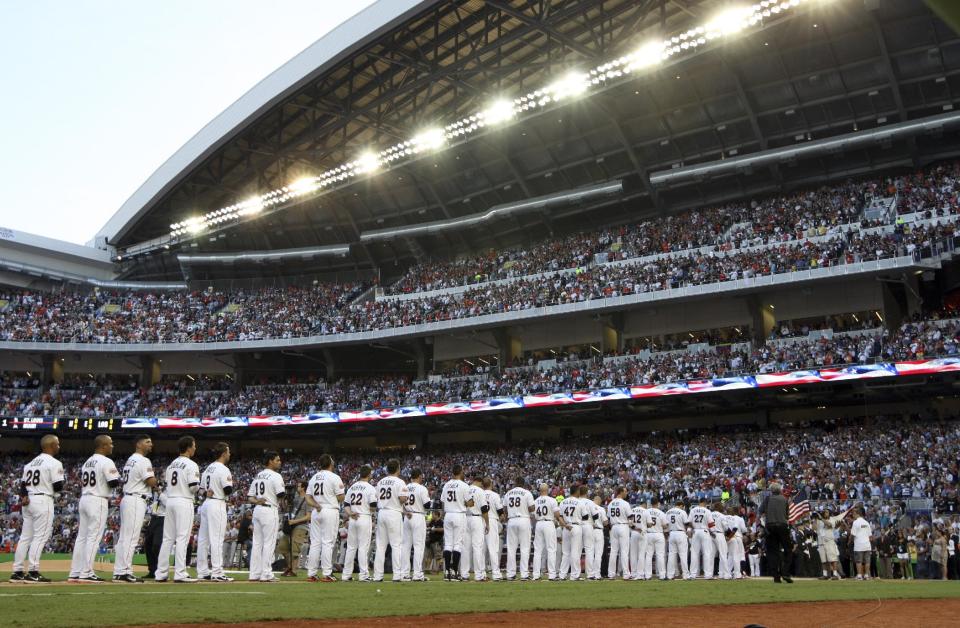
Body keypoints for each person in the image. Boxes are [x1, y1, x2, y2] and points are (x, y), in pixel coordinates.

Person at [10, 434, 64, 583]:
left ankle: (17, 572)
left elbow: (22, 486)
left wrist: (24, 496)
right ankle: (33, 571)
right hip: (43, 500)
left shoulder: (31, 464)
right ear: (51, 445)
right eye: (57, 444)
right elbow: (58, 487)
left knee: (25, 537)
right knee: (40, 537)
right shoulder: (54, 463)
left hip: (28, 501)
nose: (59, 446)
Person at [69, 434, 121, 583]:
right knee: (93, 537)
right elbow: (113, 483)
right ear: (103, 446)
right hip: (97, 499)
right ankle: (86, 572)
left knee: (82, 537)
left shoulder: (88, 462)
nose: (112, 446)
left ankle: (75, 572)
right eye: (110, 443)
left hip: (85, 498)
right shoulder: (106, 461)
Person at [155, 436, 200, 583]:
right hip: (184, 500)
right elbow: (193, 487)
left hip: (171, 500)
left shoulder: (171, 465)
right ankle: (180, 572)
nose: (195, 448)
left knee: (168, 538)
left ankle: (161, 573)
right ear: (188, 447)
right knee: (182, 538)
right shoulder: (191, 464)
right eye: (193, 446)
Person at [113, 434, 157, 583]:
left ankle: (119, 570)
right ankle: (124, 572)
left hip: (128, 497)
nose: (151, 444)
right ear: (138, 444)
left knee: (125, 538)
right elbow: (151, 481)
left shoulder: (130, 459)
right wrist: (158, 482)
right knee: (131, 537)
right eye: (147, 442)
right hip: (136, 499)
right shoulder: (143, 460)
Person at [197, 442, 234, 582]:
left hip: (206, 503)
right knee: (217, 539)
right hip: (217, 503)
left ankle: (202, 571)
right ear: (224, 453)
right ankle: (217, 572)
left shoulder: (208, 468)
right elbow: (228, 490)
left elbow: (200, 490)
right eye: (228, 452)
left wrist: (207, 492)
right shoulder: (223, 469)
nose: (229, 454)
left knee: (203, 539)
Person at [247, 450, 285, 582]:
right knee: (269, 543)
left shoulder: (258, 475)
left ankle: (254, 574)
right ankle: (266, 574)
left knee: (257, 543)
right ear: (270, 461)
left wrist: (258, 501)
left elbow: (250, 497)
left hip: (257, 510)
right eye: (277, 460)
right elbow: (281, 495)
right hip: (269, 510)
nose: (279, 462)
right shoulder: (276, 476)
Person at [305, 454, 345, 582]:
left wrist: (316, 504)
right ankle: (327, 573)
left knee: (315, 543)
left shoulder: (314, 477)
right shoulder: (334, 477)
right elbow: (341, 497)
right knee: (328, 542)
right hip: (329, 510)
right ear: (330, 463)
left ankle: (311, 573)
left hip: (316, 511)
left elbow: (307, 498)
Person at [372, 458, 409, 582]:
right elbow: (403, 499)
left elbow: (376, 497)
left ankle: (378, 575)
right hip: (394, 512)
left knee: (381, 546)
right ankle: (397, 574)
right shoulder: (400, 482)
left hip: (382, 512)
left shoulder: (381, 482)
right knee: (396, 545)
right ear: (398, 468)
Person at [341, 465, 376, 581]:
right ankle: (364, 575)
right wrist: (370, 511)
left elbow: (345, 504)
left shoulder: (352, 487)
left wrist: (350, 513)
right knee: (363, 548)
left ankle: (346, 575)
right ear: (369, 474)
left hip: (353, 518)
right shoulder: (370, 488)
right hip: (364, 517)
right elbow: (373, 506)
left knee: (351, 547)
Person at [441, 464, 472, 581]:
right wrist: (467, 503)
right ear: (461, 472)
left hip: (448, 514)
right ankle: (454, 572)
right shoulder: (464, 485)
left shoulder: (446, 485)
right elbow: (470, 503)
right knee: (458, 544)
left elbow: (443, 503)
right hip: (459, 514)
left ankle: (447, 571)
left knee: (448, 544)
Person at [400, 468, 431, 582]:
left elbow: (399, 502)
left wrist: (405, 512)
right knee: (418, 546)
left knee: (406, 546)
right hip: (418, 516)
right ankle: (417, 574)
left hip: (407, 517)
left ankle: (404, 573)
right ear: (419, 476)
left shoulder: (405, 487)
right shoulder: (422, 488)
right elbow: (427, 505)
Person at [760, 482, 793, 583]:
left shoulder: (768, 499)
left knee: (773, 552)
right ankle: (785, 572)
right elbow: (787, 515)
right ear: (780, 490)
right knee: (788, 550)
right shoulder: (784, 499)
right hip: (782, 526)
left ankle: (776, 576)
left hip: (770, 526)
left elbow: (760, 510)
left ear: (771, 490)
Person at [502, 478, 535, 581]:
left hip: (511, 520)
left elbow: (504, 509)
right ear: (523, 484)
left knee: (511, 548)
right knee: (524, 548)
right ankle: (524, 574)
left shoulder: (508, 493)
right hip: (523, 519)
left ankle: (510, 574)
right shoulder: (526, 493)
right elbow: (532, 508)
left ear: (515, 483)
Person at [277, 481, 310, 577]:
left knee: (294, 550)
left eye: (299, 486)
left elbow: (308, 517)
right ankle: (290, 567)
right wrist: (284, 499)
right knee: (282, 547)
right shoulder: (294, 498)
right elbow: (285, 509)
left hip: (301, 526)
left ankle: (293, 571)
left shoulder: (307, 499)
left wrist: (294, 522)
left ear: (303, 488)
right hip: (289, 526)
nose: (296, 488)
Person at [460, 476, 489, 581]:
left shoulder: (466, 488)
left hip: (465, 518)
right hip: (476, 519)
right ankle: (478, 575)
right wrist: (487, 524)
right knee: (477, 547)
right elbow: (484, 509)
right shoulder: (480, 491)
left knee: (465, 548)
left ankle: (464, 574)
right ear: (479, 482)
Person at [532, 482, 562, 581]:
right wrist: (561, 522)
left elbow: (532, 515)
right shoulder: (552, 500)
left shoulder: (535, 501)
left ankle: (536, 574)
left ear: (540, 490)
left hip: (539, 523)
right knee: (551, 549)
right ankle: (552, 574)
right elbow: (557, 514)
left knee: (537, 550)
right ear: (547, 490)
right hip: (549, 523)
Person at [558, 484, 585, 581]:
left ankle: (562, 575)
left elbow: (559, 516)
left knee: (566, 552)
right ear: (577, 491)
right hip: (576, 526)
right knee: (575, 552)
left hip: (566, 527)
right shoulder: (579, 502)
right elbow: (585, 516)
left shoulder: (563, 502)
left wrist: (565, 525)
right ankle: (574, 575)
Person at [606, 487, 631, 580]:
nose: (626, 493)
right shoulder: (625, 503)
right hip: (623, 526)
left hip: (614, 527)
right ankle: (626, 574)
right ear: (620, 492)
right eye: (625, 491)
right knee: (624, 551)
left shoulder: (610, 503)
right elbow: (630, 516)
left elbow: (608, 517)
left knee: (613, 551)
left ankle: (611, 574)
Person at [482, 478, 504, 581]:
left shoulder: (479, 493)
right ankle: (496, 573)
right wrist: (502, 518)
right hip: (491, 520)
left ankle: (481, 573)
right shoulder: (495, 495)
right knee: (493, 548)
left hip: (480, 520)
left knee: (481, 549)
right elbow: (500, 511)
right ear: (491, 484)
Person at [688, 497, 716, 579]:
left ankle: (692, 574)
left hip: (695, 531)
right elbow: (711, 524)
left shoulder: (693, 510)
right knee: (707, 553)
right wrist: (713, 532)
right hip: (704, 531)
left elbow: (689, 522)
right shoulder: (707, 511)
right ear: (704, 502)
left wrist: (689, 530)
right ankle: (707, 575)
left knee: (694, 553)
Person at [665, 497, 692, 580]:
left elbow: (666, 525)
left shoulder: (668, 512)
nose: (683, 507)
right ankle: (686, 575)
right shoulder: (682, 512)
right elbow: (687, 524)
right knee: (683, 555)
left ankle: (669, 575)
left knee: (671, 555)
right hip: (681, 533)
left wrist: (667, 535)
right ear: (681, 505)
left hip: (671, 533)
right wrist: (689, 531)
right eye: (682, 506)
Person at [143, 485, 166, 579]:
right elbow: (155, 504)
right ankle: (152, 570)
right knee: (147, 544)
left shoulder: (170, 490)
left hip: (163, 518)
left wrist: (160, 493)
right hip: (154, 517)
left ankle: (161, 569)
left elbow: (168, 503)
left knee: (157, 545)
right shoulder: (157, 490)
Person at [816, 508, 844, 580]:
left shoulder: (832, 519)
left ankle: (835, 574)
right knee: (823, 560)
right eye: (824, 512)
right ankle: (825, 574)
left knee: (833, 559)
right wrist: (815, 519)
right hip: (821, 542)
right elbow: (814, 528)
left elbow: (829, 525)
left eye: (826, 512)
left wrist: (821, 518)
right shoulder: (819, 521)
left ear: (829, 513)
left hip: (829, 541)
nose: (825, 513)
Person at [645, 497, 668, 581]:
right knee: (660, 555)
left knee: (648, 555)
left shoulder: (646, 512)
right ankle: (662, 575)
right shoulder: (661, 513)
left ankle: (647, 575)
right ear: (657, 503)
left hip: (648, 534)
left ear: (650, 503)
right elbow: (665, 526)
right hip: (658, 534)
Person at [849, 506, 873, 580]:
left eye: (854, 513)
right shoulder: (866, 523)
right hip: (867, 545)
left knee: (858, 561)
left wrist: (850, 541)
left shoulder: (855, 522)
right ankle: (866, 575)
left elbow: (853, 534)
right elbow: (870, 536)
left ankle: (859, 575)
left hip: (859, 545)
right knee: (867, 561)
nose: (853, 514)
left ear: (857, 514)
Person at [629, 500, 649, 580]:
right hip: (642, 532)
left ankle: (633, 573)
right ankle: (640, 574)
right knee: (641, 554)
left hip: (634, 532)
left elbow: (629, 523)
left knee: (633, 554)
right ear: (644, 504)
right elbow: (650, 523)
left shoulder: (632, 510)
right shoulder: (645, 511)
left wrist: (636, 528)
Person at [590, 494, 607, 580]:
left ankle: (590, 573)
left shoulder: (588, 507)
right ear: (599, 501)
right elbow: (605, 522)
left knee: (590, 553)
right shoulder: (601, 509)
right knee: (598, 554)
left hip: (590, 530)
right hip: (599, 531)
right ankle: (597, 574)